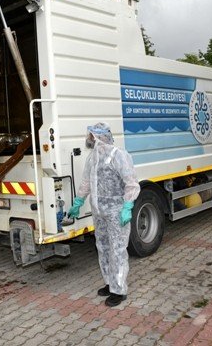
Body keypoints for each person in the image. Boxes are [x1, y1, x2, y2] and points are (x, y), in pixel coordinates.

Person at [68, 122, 140, 307]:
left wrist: (127, 206)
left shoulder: (118, 155)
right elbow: (86, 182)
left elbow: (131, 183)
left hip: (116, 211)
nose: (88, 139)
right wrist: (78, 202)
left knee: (117, 249)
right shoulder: (92, 158)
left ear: (99, 137)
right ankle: (110, 283)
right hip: (99, 211)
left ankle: (119, 290)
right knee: (103, 246)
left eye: (91, 136)